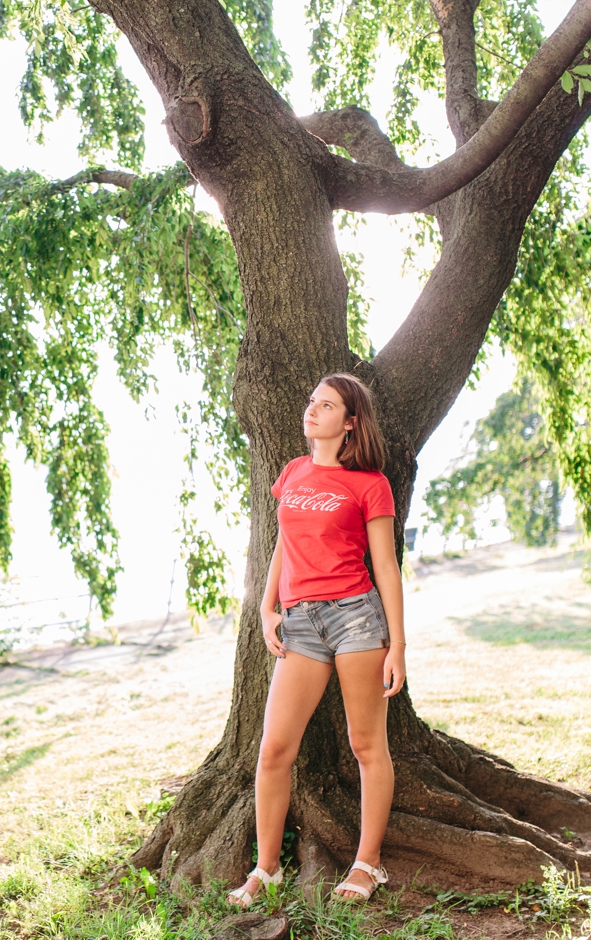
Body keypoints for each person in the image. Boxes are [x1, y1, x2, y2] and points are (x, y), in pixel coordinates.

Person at [226, 373, 406, 905]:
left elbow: (387, 567)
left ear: (349, 422)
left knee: (366, 744)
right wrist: (266, 605)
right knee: (274, 749)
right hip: (300, 623)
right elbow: (282, 540)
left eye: (325, 406)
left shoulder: (369, 483)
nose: (312, 410)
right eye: (311, 402)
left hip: (356, 618)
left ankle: (367, 865)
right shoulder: (293, 473)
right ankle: (267, 870)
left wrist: (398, 644)